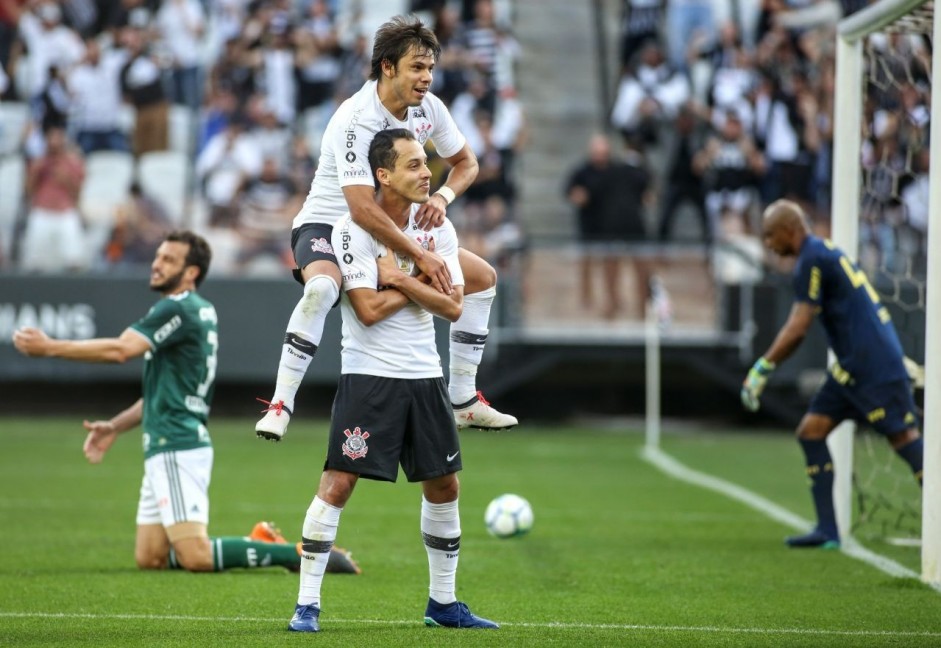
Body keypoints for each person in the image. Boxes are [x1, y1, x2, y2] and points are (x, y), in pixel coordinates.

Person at [12, 230, 359, 574]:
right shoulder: (197, 310)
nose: (156, 264)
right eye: (158, 256)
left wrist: (49, 347)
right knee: (150, 557)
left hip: (177, 442)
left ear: (191, 272)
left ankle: (289, 554)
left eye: (168, 259)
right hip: (166, 441)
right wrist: (115, 426)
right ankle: (259, 543)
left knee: (196, 556)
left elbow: (121, 350)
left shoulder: (176, 308)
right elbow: (163, 391)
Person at [255, 15, 517, 442]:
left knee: (483, 280)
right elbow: (359, 208)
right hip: (328, 223)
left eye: (431, 68)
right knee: (321, 290)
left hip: (396, 227)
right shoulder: (356, 118)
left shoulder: (429, 108)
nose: (427, 77)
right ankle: (281, 404)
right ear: (387, 67)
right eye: (417, 67)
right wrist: (419, 255)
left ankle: (465, 401)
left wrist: (442, 198)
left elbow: (467, 164)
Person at [288, 128, 498, 633]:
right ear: (382, 175)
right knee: (338, 483)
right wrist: (422, 280)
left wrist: (403, 277)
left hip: (425, 376)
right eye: (414, 165)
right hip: (369, 377)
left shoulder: (438, 229)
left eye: (426, 164)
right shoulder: (349, 229)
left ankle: (443, 604)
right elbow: (367, 308)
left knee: (445, 487)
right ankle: (307, 605)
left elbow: (452, 306)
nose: (428, 173)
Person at [740, 200, 924, 549]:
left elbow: (798, 328)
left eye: (769, 234)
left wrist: (762, 367)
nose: (766, 242)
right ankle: (827, 530)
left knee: (904, 441)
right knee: (811, 432)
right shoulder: (820, 253)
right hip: (850, 369)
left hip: (875, 366)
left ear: (789, 230)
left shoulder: (812, 257)